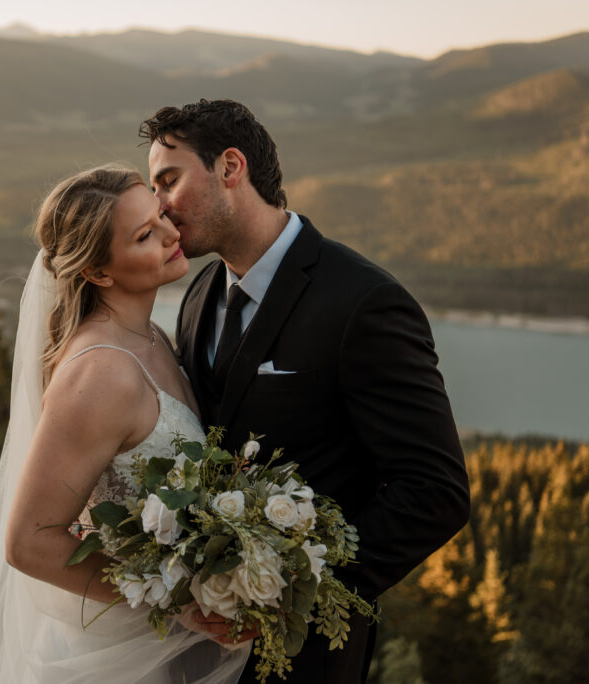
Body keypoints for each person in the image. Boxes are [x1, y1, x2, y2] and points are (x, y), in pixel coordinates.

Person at [140, 99, 471, 683]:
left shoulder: (362, 301)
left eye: (168, 180)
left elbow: (435, 491)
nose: (158, 206)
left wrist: (287, 590)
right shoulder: (198, 294)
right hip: (195, 647)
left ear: (230, 167)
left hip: (307, 653)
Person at [0, 165, 249, 683]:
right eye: (144, 235)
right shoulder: (101, 373)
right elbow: (28, 540)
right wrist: (175, 598)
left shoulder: (153, 337)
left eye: (161, 215)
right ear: (98, 272)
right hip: (112, 659)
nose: (170, 234)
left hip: (160, 647)